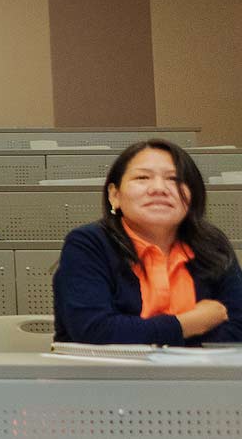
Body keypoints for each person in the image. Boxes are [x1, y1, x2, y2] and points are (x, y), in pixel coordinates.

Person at [53, 140, 242, 346]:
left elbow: (238, 328)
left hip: (202, 376)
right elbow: (94, 331)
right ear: (114, 195)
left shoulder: (212, 244)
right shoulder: (89, 243)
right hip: (106, 376)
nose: (159, 188)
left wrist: (145, 335)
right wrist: (188, 324)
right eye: (142, 177)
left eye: (174, 179)